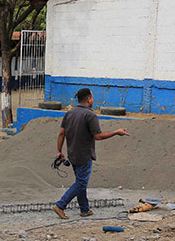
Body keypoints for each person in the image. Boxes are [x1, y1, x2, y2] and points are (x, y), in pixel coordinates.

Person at [53, 88, 129, 220]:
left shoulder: (69, 113)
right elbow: (98, 136)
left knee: (80, 182)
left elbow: (61, 133)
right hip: (84, 155)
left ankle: (84, 209)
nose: (93, 100)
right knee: (81, 184)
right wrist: (116, 132)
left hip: (72, 154)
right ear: (88, 99)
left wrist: (59, 151)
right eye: (92, 98)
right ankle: (61, 205)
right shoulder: (90, 115)